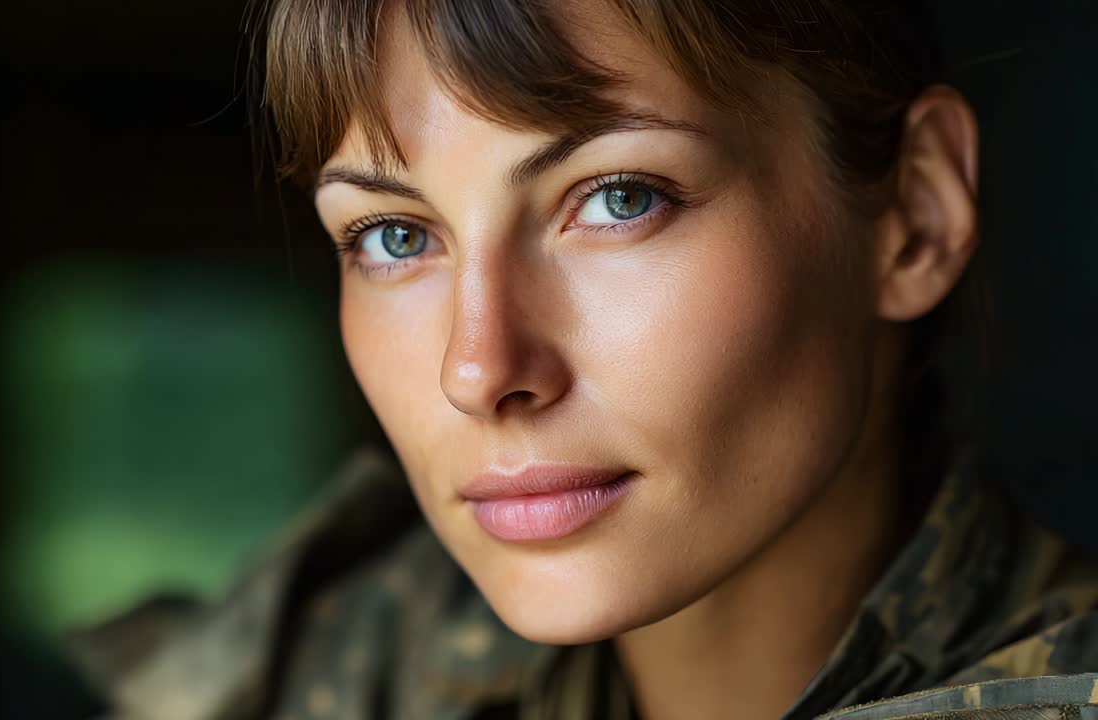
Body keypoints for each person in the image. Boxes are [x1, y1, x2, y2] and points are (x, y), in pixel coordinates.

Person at [68, 1, 1098, 718]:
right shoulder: (352, 661)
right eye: (393, 235)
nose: (477, 370)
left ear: (913, 214)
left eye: (617, 198)